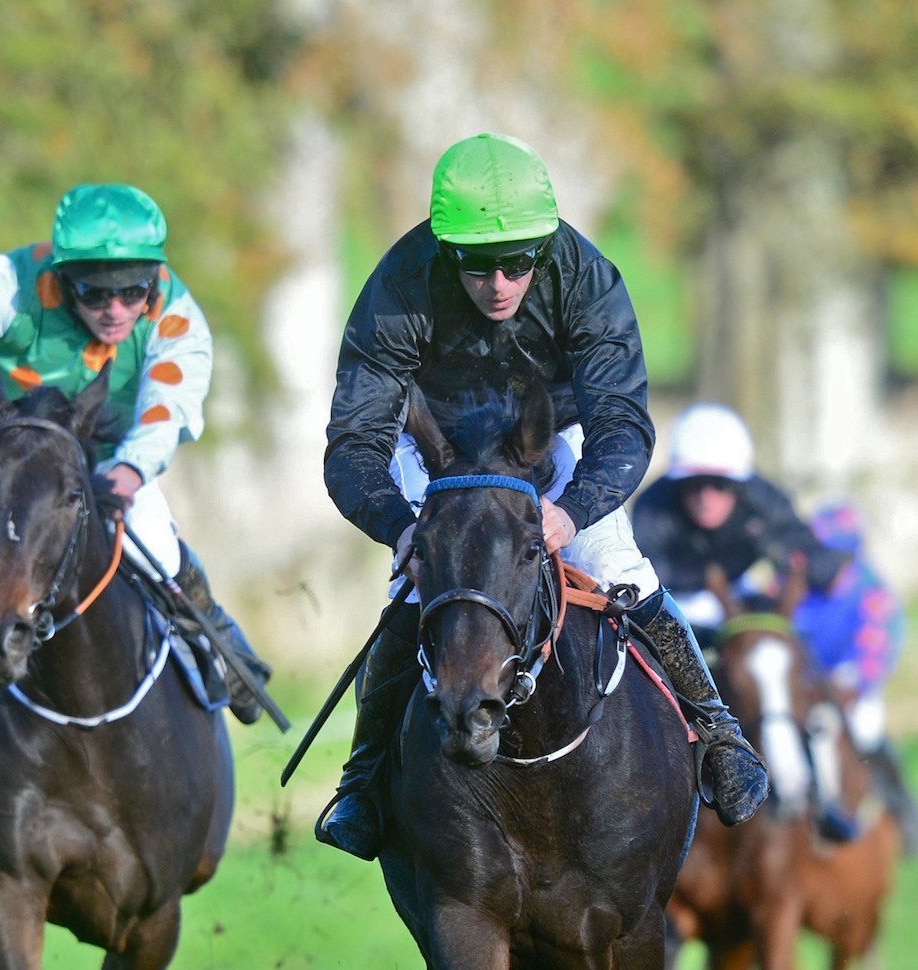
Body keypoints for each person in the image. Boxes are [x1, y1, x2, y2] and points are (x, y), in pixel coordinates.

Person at [314, 132, 769, 861]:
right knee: (414, 589)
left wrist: (573, 509)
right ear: (444, 250)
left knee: (619, 567)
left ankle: (718, 733)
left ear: (545, 246)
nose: (498, 284)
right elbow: (354, 442)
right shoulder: (399, 285)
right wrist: (401, 528)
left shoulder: (586, 277)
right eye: (476, 265)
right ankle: (363, 781)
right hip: (440, 452)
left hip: (550, 439)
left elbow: (623, 423)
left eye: (518, 263)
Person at [0, 183, 271, 755]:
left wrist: (132, 471)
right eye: (95, 293)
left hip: (113, 459)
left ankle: (215, 640)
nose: (115, 310)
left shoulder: (176, 316)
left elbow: (168, 407)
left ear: (154, 280)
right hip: (14, 461)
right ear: (64, 278)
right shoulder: (8, 285)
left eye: (133, 291)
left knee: (157, 544)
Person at [631, 404, 862, 842]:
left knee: (805, 681)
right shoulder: (653, 508)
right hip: (673, 604)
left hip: (739, 599)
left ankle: (827, 801)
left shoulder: (763, 500)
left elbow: (805, 551)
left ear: (739, 486)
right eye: (694, 485)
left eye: (719, 485)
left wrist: (822, 567)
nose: (706, 496)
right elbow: (644, 583)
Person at [793, 501, 918, 856]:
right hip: (801, 685)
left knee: (867, 731)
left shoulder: (872, 592)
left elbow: (876, 650)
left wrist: (852, 684)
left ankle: (901, 806)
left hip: (849, 686)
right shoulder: (792, 583)